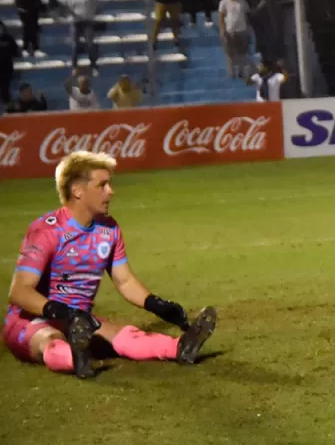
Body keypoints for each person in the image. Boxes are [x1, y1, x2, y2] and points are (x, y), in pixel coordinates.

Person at [4, 151, 217, 379]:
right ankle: (75, 358)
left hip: (80, 322)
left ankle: (179, 347)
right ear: (77, 190)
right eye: (102, 185)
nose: (111, 192)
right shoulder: (46, 230)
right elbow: (19, 291)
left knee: (122, 334)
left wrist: (156, 304)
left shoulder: (109, 229)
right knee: (50, 341)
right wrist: (63, 313)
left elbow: (124, 280)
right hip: (33, 320)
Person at [219, 0, 254, 79]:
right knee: (230, 53)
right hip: (229, 31)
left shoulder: (242, 1)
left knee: (242, 52)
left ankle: (241, 71)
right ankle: (231, 72)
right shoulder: (224, 2)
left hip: (241, 30)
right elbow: (221, 17)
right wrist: (222, 30)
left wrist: (248, 28)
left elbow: (247, 14)